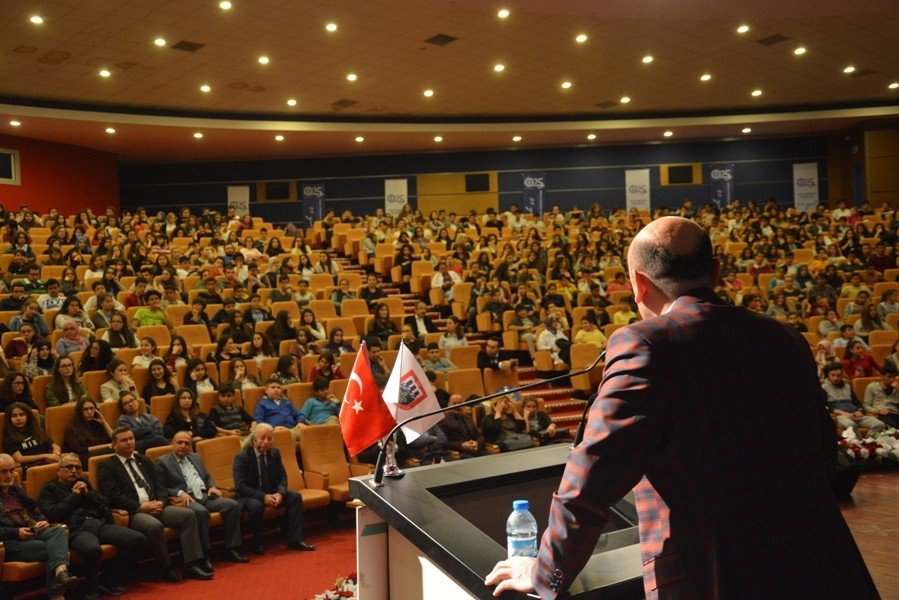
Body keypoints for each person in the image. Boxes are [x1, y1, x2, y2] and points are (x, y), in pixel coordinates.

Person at [486, 216, 878, 599]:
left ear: (638, 285)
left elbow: (590, 478)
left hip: (720, 575)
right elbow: (824, 454)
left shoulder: (646, 344)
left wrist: (544, 573)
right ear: (717, 272)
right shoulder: (786, 338)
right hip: (822, 562)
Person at [97, 426, 213, 582]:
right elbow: (113, 496)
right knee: (153, 526)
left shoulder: (143, 460)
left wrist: (161, 501)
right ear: (113, 445)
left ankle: (191, 565)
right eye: (123, 440)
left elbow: (160, 486)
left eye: (131, 438)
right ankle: (166, 568)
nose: (129, 442)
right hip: (134, 512)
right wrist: (140, 507)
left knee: (188, 515)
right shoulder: (107, 466)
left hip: (157, 505)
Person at [38, 453, 147, 599]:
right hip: (75, 529)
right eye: (69, 467)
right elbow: (54, 514)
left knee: (138, 539)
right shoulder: (49, 489)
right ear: (58, 470)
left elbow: (105, 502)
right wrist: (74, 495)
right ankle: (90, 586)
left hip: (98, 524)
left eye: (78, 467)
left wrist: (88, 493)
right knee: (92, 549)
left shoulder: (83, 483)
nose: (74, 471)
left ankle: (108, 577)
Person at [154, 431, 249, 565]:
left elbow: (207, 476)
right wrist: (179, 492)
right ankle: (205, 554)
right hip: (186, 500)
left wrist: (212, 486)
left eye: (187, 443)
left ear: (190, 446)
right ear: (172, 444)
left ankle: (231, 549)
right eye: (179, 443)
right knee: (200, 512)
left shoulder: (195, 457)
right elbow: (161, 487)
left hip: (205, 495)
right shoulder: (162, 462)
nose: (183, 446)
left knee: (232, 505)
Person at [0, 453, 79, 600]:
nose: (9, 475)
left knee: (57, 530)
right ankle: (58, 591)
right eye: (3, 471)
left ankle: (61, 575)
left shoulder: (15, 490)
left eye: (12, 471)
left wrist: (42, 521)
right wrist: (16, 533)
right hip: (10, 544)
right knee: (56, 553)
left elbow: (35, 510)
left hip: (31, 531)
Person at [232, 423, 315, 555]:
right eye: (262, 438)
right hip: (249, 496)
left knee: (295, 497)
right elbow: (240, 486)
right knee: (256, 506)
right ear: (254, 439)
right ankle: (257, 544)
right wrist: (262, 497)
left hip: (270, 492)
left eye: (269, 439)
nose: (266, 442)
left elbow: (282, 477)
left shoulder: (274, 453)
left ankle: (295, 540)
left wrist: (280, 493)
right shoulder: (242, 456)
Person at [822, 362, 886, 435]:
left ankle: (867, 442)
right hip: (840, 416)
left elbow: (857, 403)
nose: (835, 378)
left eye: (838, 375)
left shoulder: (847, 386)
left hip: (855, 414)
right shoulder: (824, 388)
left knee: (880, 424)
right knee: (851, 426)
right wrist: (843, 413)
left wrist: (859, 411)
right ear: (828, 375)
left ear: (842, 375)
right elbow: (826, 407)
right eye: (832, 375)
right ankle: (858, 444)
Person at [3, 402, 60, 478]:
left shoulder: (36, 431)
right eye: (14, 416)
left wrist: (55, 454)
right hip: (30, 466)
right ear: (9, 419)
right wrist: (45, 456)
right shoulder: (10, 438)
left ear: (28, 416)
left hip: (47, 462)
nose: (18, 418)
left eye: (22, 414)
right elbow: (20, 459)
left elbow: (55, 446)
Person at [63, 398, 113, 468]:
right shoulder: (71, 428)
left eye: (91, 408)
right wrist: (104, 446)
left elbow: (114, 440)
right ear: (80, 412)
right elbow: (79, 450)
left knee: (118, 448)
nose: (89, 412)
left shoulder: (97, 424)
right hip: (82, 458)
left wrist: (104, 423)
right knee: (112, 451)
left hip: (99, 454)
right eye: (85, 409)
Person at [438, 394, 488, 459]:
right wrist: (461, 445)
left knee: (489, 456)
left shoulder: (468, 418)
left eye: (460, 403)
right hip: (459, 452)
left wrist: (476, 443)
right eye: (454, 403)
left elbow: (479, 436)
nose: (457, 406)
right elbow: (443, 443)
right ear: (449, 405)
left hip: (474, 450)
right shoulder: (444, 421)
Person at [862, 364, 899, 428]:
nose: (892, 379)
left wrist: (898, 389)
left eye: (893, 377)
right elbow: (866, 406)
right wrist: (878, 411)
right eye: (889, 377)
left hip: (895, 413)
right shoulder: (872, 387)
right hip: (879, 414)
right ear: (882, 376)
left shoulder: (897, 388)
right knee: (891, 424)